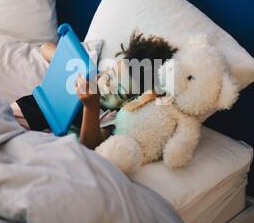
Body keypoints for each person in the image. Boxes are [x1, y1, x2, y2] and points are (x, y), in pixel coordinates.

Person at [15, 32, 178, 149]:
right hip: (28, 112)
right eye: (110, 77)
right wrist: (75, 65)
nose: (107, 87)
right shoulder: (90, 73)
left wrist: (91, 107)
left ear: (131, 102)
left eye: (119, 93)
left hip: (43, 141)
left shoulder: (114, 118)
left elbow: (90, 145)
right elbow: (45, 48)